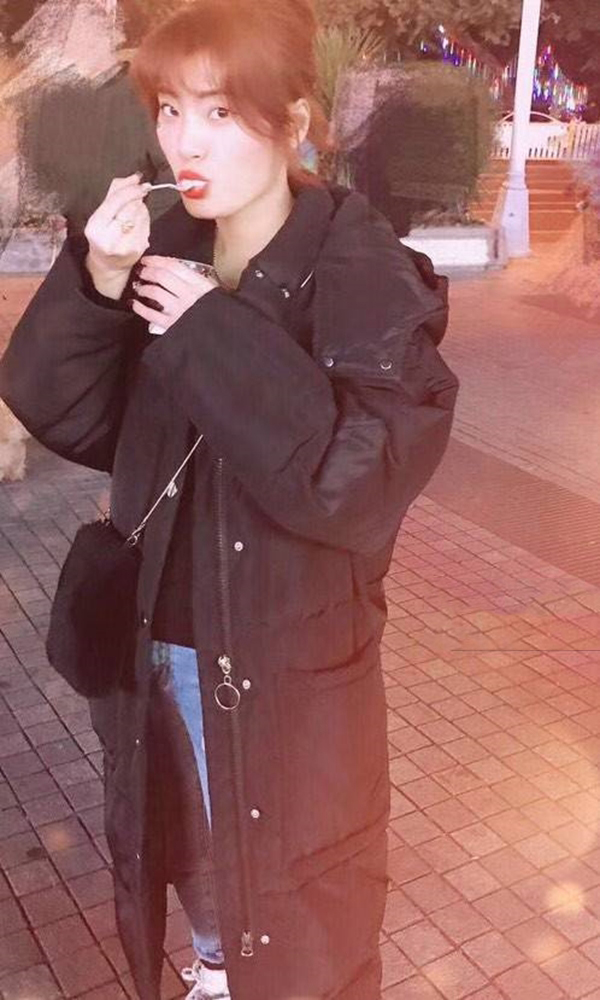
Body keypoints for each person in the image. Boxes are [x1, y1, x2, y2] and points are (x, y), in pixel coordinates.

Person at [0, 2, 458, 998]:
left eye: (218, 112)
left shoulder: (367, 278)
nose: (186, 142)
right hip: (158, 640)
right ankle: (212, 965)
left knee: (295, 895)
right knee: (186, 850)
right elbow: (66, 412)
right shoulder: (165, 250)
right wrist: (97, 278)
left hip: (282, 663)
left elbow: (355, 485)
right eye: (170, 110)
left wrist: (213, 332)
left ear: (291, 121)